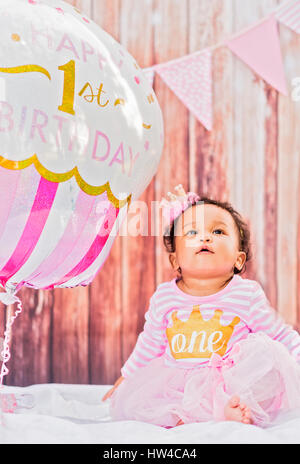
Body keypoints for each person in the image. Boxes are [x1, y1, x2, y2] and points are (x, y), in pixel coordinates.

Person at [102, 185, 300, 428]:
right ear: (176, 260)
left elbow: (279, 335)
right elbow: (150, 343)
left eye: (218, 231)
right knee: (144, 405)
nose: (205, 237)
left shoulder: (245, 294)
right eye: (192, 232)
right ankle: (184, 418)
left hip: (226, 381)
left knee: (264, 355)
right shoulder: (165, 297)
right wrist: (128, 376)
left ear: (238, 259)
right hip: (178, 382)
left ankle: (228, 410)